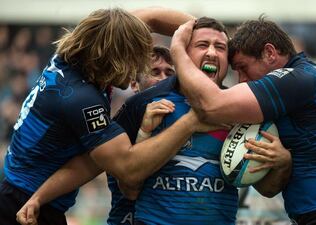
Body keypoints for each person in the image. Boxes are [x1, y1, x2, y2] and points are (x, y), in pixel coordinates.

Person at [16, 17, 291, 225]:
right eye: (202, 45)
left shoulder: (240, 108)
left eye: (220, 47)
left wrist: (282, 163)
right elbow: (101, 165)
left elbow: (266, 189)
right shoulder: (143, 105)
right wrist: (41, 196)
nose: (211, 52)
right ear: (182, 53)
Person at [1, 7, 196, 225]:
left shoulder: (77, 57)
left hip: (31, 196)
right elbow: (127, 168)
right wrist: (192, 121)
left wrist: (214, 37)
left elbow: (151, 17)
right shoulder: (82, 100)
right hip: (25, 209)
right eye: (135, 57)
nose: (139, 66)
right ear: (114, 56)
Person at [170, 18, 316, 224]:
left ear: (269, 53)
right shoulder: (306, 76)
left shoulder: (295, 79)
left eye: (243, 67)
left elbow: (211, 105)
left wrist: (178, 49)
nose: (242, 79)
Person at [106, 45, 176, 225]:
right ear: (134, 84)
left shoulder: (182, 120)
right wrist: (144, 132)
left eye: (170, 74)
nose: (163, 80)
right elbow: (131, 190)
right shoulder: (120, 124)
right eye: (155, 72)